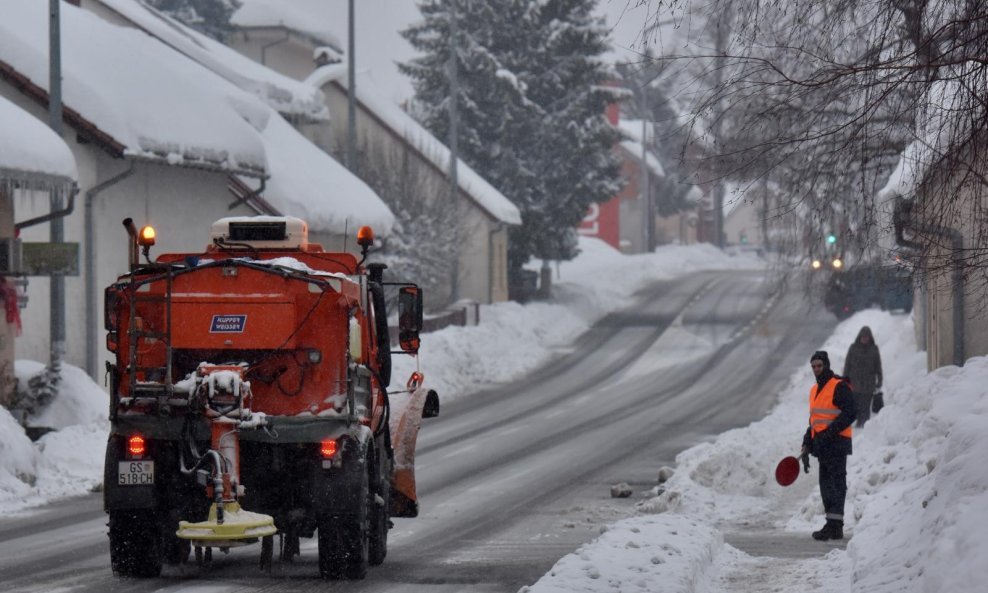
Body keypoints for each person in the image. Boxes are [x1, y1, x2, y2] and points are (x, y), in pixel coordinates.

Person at [801, 350, 856, 541]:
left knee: (836, 485)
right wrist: (807, 442)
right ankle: (832, 524)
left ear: (826, 365)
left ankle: (835, 526)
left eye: (819, 366)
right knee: (826, 486)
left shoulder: (838, 386)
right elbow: (815, 420)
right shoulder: (814, 390)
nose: (816, 369)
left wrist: (829, 433)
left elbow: (851, 412)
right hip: (822, 446)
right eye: (813, 366)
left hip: (837, 444)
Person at [843, 326, 883, 427]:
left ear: (870, 338)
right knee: (855, 406)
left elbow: (878, 366)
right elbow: (847, 365)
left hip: (868, 385)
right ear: (859, 337)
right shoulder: (853, 348)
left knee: (865, 407)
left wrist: (879, 380)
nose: (864, 339)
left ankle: (863, 428)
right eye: (863, 337)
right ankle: (858, 423)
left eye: (866, 337)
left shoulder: (874, 349)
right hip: (854, 383)